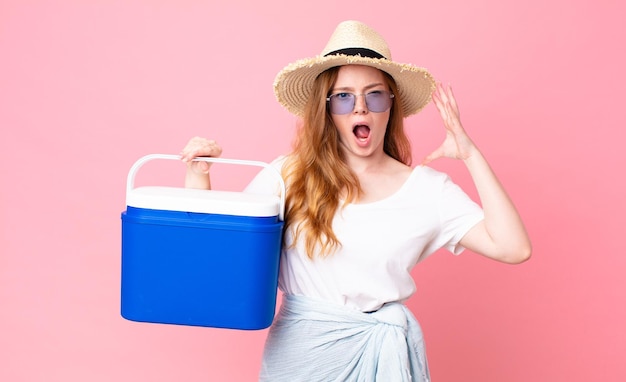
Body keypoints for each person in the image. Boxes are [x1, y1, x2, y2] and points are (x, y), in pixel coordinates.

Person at [180, 20, 531, 382]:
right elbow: (219, 252)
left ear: (391, 106)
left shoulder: (427, 190)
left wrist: (471, 155)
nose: (360, 109)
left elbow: (513, 247)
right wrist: (199, 174)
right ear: (326, 109)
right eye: (344, 97)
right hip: (301, 360)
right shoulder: (288, 175)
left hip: (383, 358)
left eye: (374, 95)